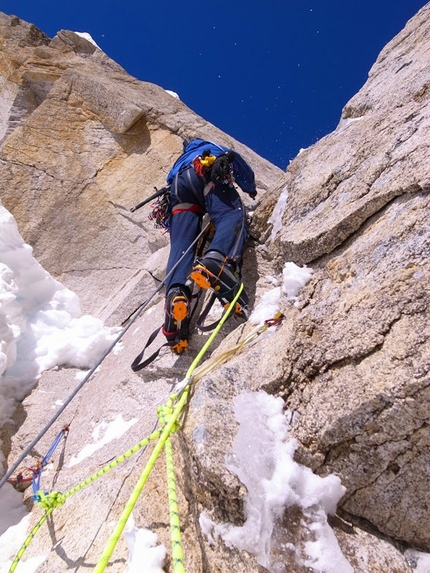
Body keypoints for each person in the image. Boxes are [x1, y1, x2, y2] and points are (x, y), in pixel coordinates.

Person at [162, 139, 257, 354]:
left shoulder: (178, 161)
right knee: (231, 214)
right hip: (206, 169)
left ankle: (175, 295)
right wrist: (249, 188)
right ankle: (219, 261)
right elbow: (236, 161)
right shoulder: (213, 146)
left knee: (181, 245)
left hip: (178, 188)